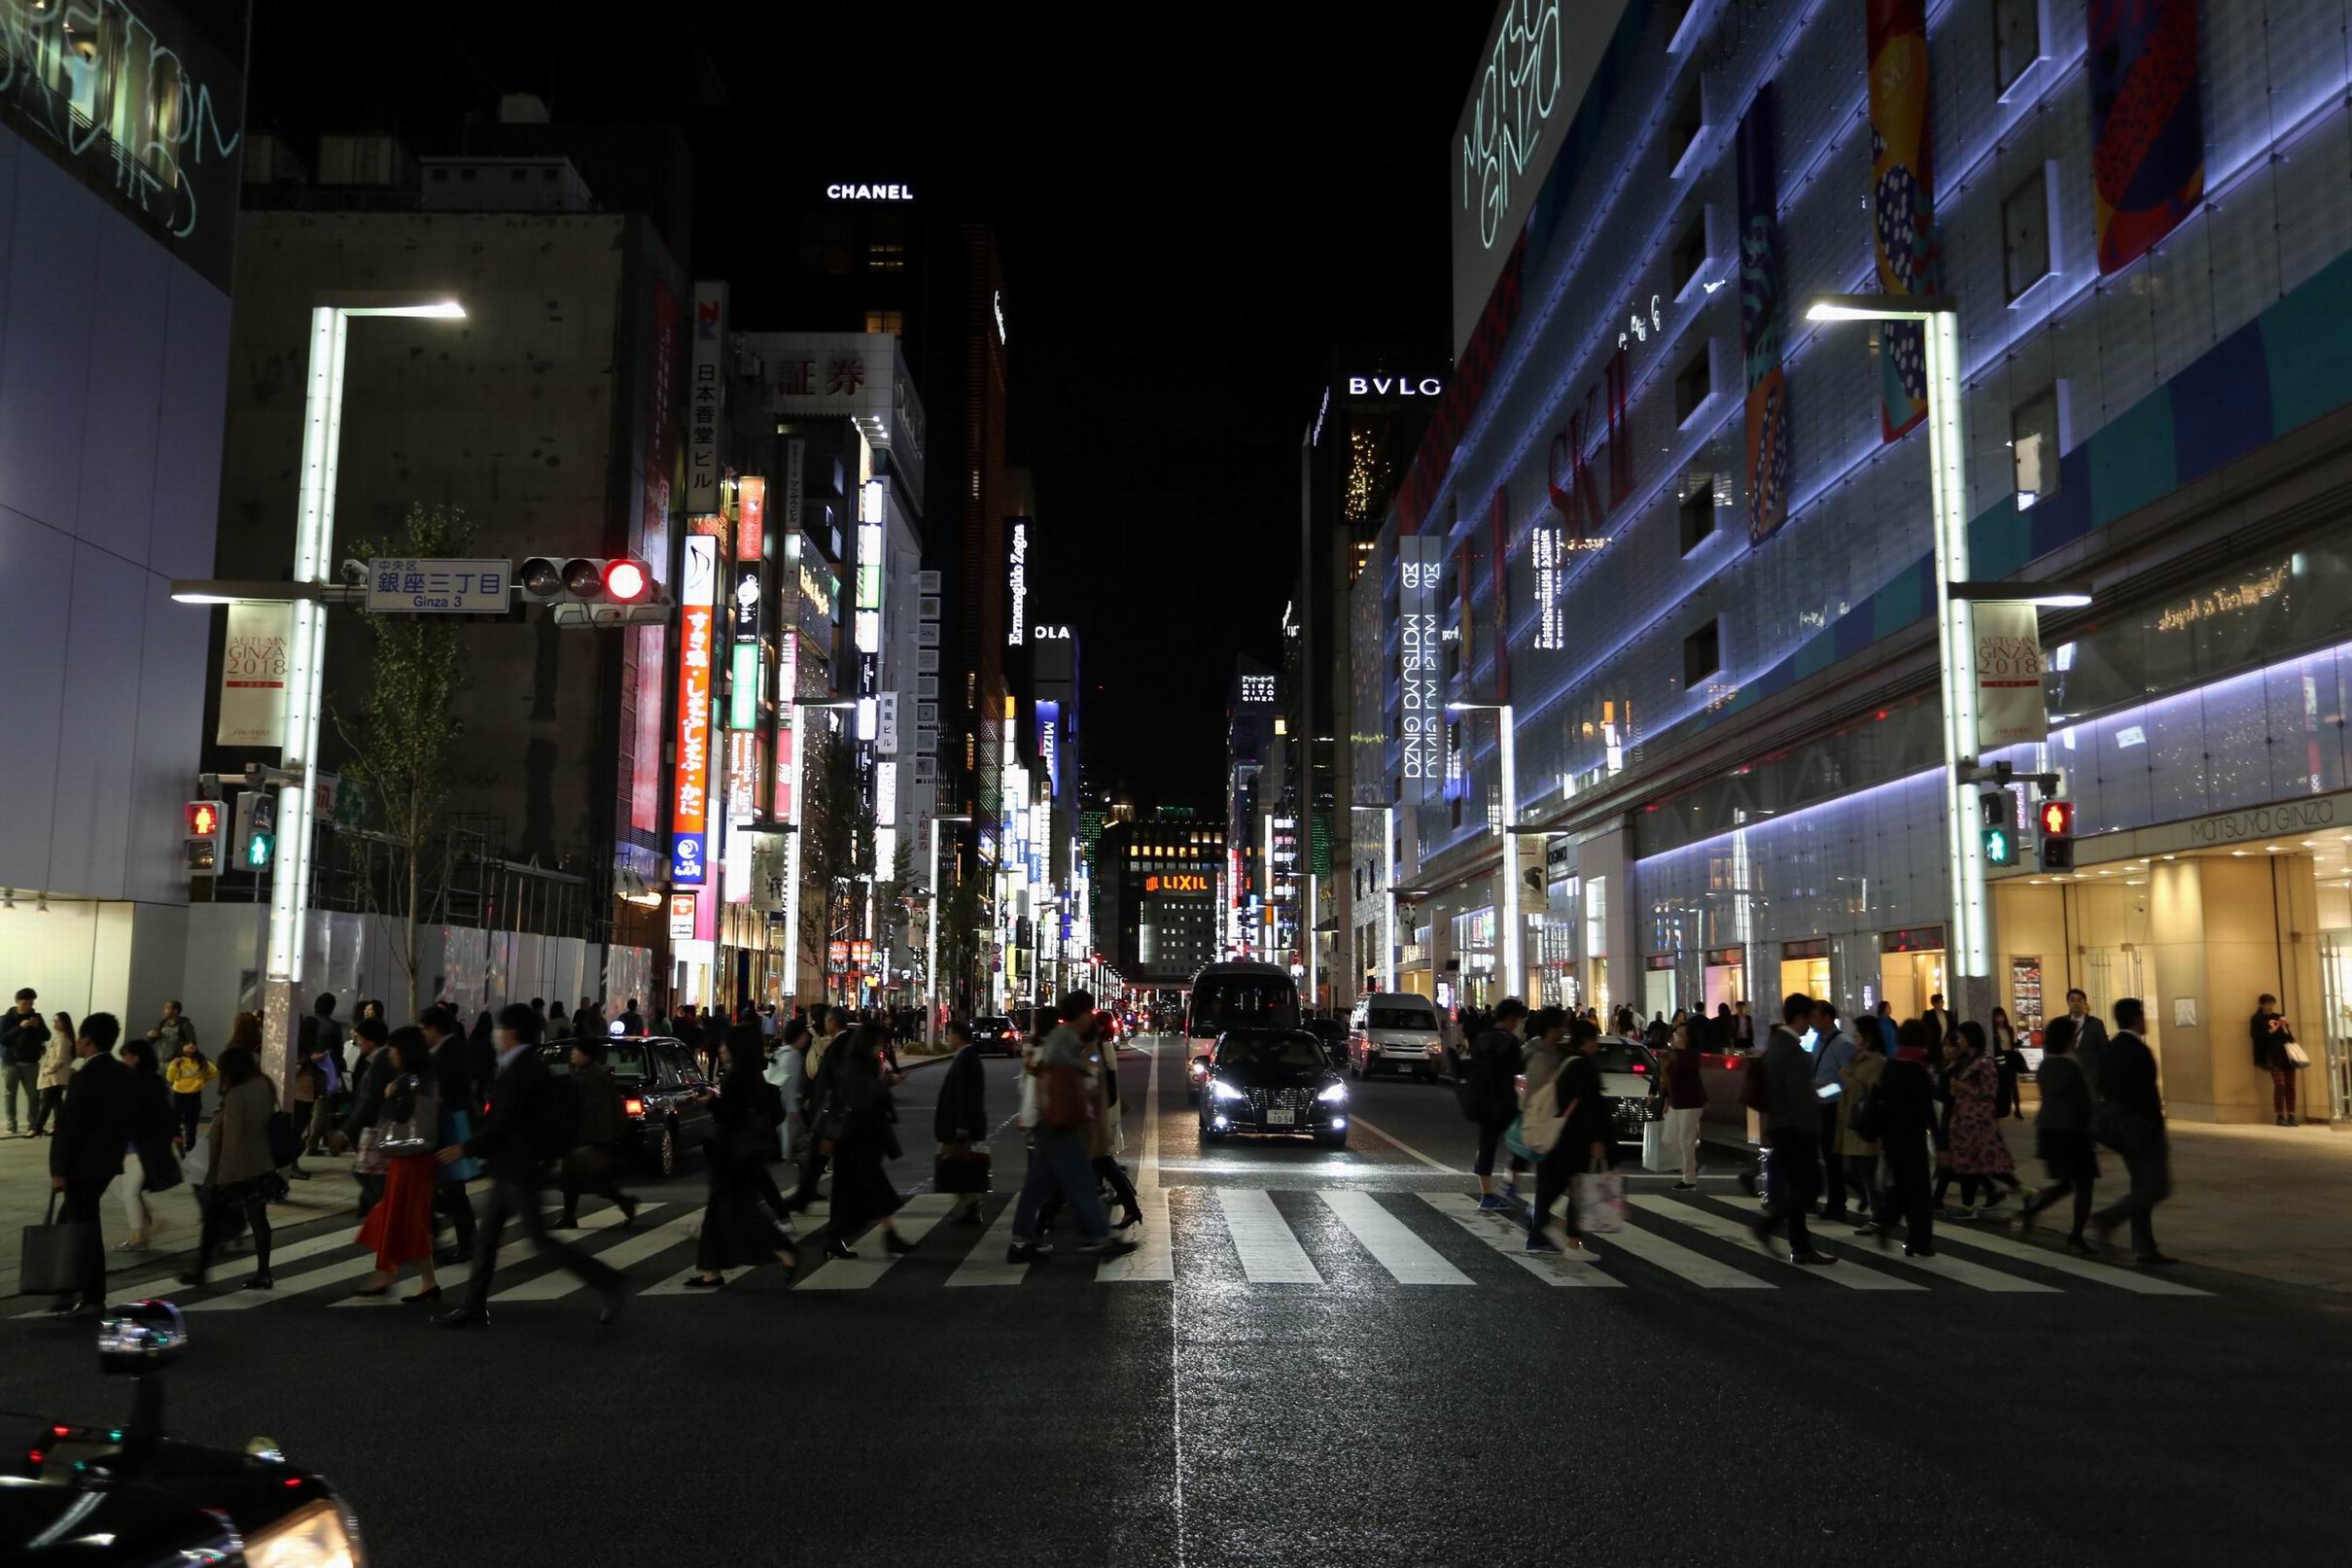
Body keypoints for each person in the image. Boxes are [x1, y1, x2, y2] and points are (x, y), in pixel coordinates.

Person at [435, 1003, 626, 1328]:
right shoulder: (517, 1065)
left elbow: (506, 1120)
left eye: (501, 1028)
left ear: (511, 1032)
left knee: (539, 1240)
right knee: (488, 1239)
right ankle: (473, 1306)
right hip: (510, 1166)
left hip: (521, 1168)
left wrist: (465, 1148)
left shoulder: (524, 1069)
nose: (497, 1034)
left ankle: (609, 1283)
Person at [1007, 993, 1139, 1264]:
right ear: (1081, 1014)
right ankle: (1100, 1236)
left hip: (1048, 1121)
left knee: (1037, 1185)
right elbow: (1064, 1079)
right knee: (1080, 1180)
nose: (1090, 1017)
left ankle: (1021, 1241)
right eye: (1088, 1012)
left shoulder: (1060, 1038)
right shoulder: (1064, 1039)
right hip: (1059, 1121)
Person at [681, 1027, 798, 1290]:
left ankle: (785, 1251)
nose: (720, 1049)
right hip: (741, 1154)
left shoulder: (735, 1077)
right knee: (722, 1212)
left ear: (735, 1048)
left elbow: (730, 1117)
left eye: (724, 1045)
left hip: (732, 1156)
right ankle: (712, 1272)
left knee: (739, 1211)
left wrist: (710, 1102)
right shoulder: (751, 1074)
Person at [45, 1013, 133, 1311]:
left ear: (87, 1041)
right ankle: (65, 1287)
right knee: (71, 1220)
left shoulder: (84, 1077)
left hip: (81, 1165)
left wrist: (59, 1170)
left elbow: (69, 1127)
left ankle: (90, 1295)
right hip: (107, 1162)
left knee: (84, 1228)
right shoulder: (124, 1074)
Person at [178, 1042, 282, 1292]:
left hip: (236, 1169)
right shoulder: (264, 1084)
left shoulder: (237, 1095)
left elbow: (231, 1140)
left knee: (212, 1218)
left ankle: (201, 1270)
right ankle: (264, 1272)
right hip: (261, 1163)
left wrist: (221, 1177)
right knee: (259, 1219)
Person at [351, 1028, 445, 1304]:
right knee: (397, 1217)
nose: (391, 1054)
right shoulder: (423, 1078)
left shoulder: (412, 1082)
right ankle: (410, 1278)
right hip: (411, 1159)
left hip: (411, 1159)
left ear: (404, 1051)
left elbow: (404, 1117)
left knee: (404, 1219)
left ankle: (397, 1276)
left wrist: (391, 1095)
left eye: (394, 1049)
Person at [1750, 993, 1835, 1266]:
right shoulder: (1792, 1051)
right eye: (1809, 1018)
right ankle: (1769, 1226)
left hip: (1780, 1125)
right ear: (1799, 1017)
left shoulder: (1776, 1045)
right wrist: (1835, 1090)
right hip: (1796, 1128)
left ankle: (1800, 1246)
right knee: (1810, 1186)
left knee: (1797, 1186)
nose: (1810, 1025)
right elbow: (1802, 1096)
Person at [2089, 997, 2174, 1266]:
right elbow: (2147, 1094)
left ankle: (2145, 1247)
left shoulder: (2111, 1048)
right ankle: (2109, 1218)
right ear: (2136, 1017)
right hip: (2143, 1127)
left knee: (2140, 1185)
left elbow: (2101, 1084)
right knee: (2157, 1186)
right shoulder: (2138, 1050)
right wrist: (2156, 1124)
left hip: (2119, 1127)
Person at [822, 1022, 914, 1258]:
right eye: (878, 1044)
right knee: (871, 1188)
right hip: (855, 1139)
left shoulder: (860, 1065)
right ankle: (888, 1236)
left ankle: (837, 1237)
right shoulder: (854, 1067)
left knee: (854, 1190)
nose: (881, 1048)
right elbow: (864, 1099)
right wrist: (887, 1082)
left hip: (858, 1138)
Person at [1525, 1012, 1609, 1257]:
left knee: (1550, 1187)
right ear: (1586, 1041)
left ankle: (1537, 1235)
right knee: (1578, 1190)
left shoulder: (1563, 1060)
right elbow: (1589, 1107)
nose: (1597, 1045)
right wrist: (1596, 1139)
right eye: (1595, 1040)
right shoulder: (1583, 1066)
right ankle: (1572, 1243)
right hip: (1575, 1138)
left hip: (1556, 1134)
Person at [2011, 1015, 2097, 1250]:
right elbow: (2083, 1102)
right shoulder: (2071, 1067)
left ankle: (2030, 1212)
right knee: (2084, 1184)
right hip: (2071, 1131)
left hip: (2048, 1129)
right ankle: (2076, 1234)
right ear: (2069, 1039)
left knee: (2065, 1183)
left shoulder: (2046, 1066)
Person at [1868, 1019, 1942, 1256]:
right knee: (1918, 1190)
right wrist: (1940, 1142)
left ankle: (1893, 1225)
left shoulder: (1891, 1065)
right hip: (1913, 1136)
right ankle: (1918, 1240)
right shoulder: (1919, 1069)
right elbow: (1928, 1110)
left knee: (1901, 1183)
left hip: (1891, 1136)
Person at [1940, 1022, 2023, 1216]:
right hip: (1966, 1122)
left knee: (1975, 1165)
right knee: (1973, 1165)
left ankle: (1969, 1206)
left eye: (1960, 1038)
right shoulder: (1968, 1061)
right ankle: (2019, 1192)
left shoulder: (1984, 1063)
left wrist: (1962, 1087)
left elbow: (1988, 1092)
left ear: (1970, 1039)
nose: (1958, 1042)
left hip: (1978, 1123)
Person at [555, 1036, 640, 1229]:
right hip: (588, 1136)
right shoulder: (588, 1073)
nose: (573, 1053)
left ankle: (625, 1202)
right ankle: (569, 1215)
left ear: (586, 1054)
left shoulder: (591, 1077)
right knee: (577, 1176)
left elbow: (593, 1110)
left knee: (592, 1179)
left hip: (590, 1137)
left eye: (577, 1050)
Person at [418, 1006, 479, 1264]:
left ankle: (468, 1243)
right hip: (446, 1123)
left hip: (450, 1125)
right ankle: (453, 1238)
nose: (422, 1034)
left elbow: (447, 1090)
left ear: (433, 1028)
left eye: (423, 1029)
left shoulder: (450, 1051)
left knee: (452, 1188)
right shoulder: (446, 1049)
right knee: (442, 1186)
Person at [112, 1037, 180, 1251]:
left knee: (129, 1190)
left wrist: (174, 1133)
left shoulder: (146, 1081)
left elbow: (162, 1111)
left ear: (136, 1057)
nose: (124, 1060)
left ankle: (139, 1236)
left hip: (144, 1143)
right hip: (132, 1143)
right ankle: (150, 1221)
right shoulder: (142, 1079)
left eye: (126, 1056)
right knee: (120, 1187)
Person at [1463, 998, 1528, 1211]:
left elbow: (1474, 1063)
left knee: (1487, 1146)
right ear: (1511, 1019)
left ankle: (1486, 1195)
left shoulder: (1482, 1038)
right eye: (1516, 1020)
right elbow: (1518, 1067)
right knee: (1521, 1141)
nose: (1516, 1024)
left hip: (1483, 1100)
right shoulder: (1510, 1041)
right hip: (1505, 1100)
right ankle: (1510, 1185)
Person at [933, 1019, 989, 1225]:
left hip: (960, 1125)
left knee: (955, 1164)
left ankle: (971, 1208)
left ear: (957, 1036)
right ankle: (970, 1206)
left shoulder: (966, 1059)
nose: (948, 1039)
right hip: (958, 1123)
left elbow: (967, 1095)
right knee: (957, 1163)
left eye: (949, 1035)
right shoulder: (966, 1057)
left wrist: (963, 1125)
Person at [1834, 1016, 1887, 1226]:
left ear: (1868, 1037)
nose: (1855, 1038)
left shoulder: (1878, 1062)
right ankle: (1873, 1204)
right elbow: (1844, 1087)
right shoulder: (1856, 1058)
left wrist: (1845, 1076)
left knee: (1867, 1171)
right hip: (1850, 1120)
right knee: (1851, 1169)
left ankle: (1878, 1215)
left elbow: (1867, 1091)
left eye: (1857, 1035)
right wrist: (1821, 1093)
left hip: (1866, 1123)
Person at [1809, 999, 1857, 1220]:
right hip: (1820, 1105)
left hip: (1833, 1107)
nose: (1812, 1021)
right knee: (1828, 1157)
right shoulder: (1818, 1041)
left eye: (1815, 1016)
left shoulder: (1843, 1043)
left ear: (1827, 1018)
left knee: (1833, 1157)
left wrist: (1822, 1092)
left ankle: (1838, 1203)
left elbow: (1848, 1081)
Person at [1660, 1016, 1706, 1189]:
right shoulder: (1672, 1055)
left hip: (1690, 1103)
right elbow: (1667, 1080)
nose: (1676, 1036)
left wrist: (1673, 1058)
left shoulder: (1691, 1055)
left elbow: (1686, 1074)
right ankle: (1692, 1166)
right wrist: (1666, 1100)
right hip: (1676, 1102)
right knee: (1669, 1138)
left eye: (1680, 1034)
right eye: (1675, 1033)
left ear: (1687, 1038)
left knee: (1685, 1141)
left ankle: (1688, 1179)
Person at [2251, 993, 2301, 1127]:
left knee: (2291, 1085)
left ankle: (2291, 1115)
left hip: (2286, 1054)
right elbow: (2256, 1037)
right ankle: (2280, 1115)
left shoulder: (2279, 1017)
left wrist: (2284, 1027)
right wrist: (2271, 1031)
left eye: (2272, 1003)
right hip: (2272, 1054)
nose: (2271, 1006)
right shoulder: (2257, 1019)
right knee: (2280, 1085)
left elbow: (2289, 1037)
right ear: (2262, 1004)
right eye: (2268, 1003)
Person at [4, 986, 46, 1135]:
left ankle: (33, 1125)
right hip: (11, 1063)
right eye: (24, 1003)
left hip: (31, 1063)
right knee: (10, 1094)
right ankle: (11, 1125)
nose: (28, 1006)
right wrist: (19, 1027)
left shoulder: (37, 1018)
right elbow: (2, 1039)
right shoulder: (6, 1019)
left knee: (34, 1095)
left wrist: (38, 1027)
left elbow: (46, 1036)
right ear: (17, 1001)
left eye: (31, 1003)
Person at [161, 1036, 215, 1150]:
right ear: (182, 1047)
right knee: (175, 1122)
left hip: (195, 1096)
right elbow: (170, 1078)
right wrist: (174, 1065)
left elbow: (214, 1072)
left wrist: (201, 1081)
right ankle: (177, 1145)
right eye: (187, 1044)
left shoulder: (202, 1061)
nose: (191, 1046)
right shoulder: (177, 1061)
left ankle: (190, 1147)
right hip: (179, 1095)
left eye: (193, 1044)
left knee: (191, 1124)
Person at [32, 1009, 74, 1136]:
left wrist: (48, 1070)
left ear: (64, 1023)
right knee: (57, 1103)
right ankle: (58, 1127)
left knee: (46, 1103)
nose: (54, 1023)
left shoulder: (62, 1039)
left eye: (57, 1021)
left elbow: (60, 1059)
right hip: (56, 1076)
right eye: (53, 1020)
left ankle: (37, 1128)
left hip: (54, 1076)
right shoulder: (60, 1038)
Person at [2063, 988, 2108, 1086]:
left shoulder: (2096, 1024)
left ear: (2085, 1003)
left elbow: (2104, 1049)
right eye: (2072, 1000)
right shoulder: (2062, 1023)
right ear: (2068, 1003)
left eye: (2080, 1000)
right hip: (2067, 1076)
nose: (2076, 1003)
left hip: (2090, 1077)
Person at [1989, 1007, 2024, 1119]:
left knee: (2013, 1084)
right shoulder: (1993, 1031)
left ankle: (2017, 1109)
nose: (2000, 1019)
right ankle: (2001, 1108)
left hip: (2010, 1057)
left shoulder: (2009, 1029)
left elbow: (2011, 1044)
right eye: (1997, 1017)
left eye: (2001, 1016)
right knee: (2002, 1084)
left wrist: (2017, 1043)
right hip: (2000, 1058)